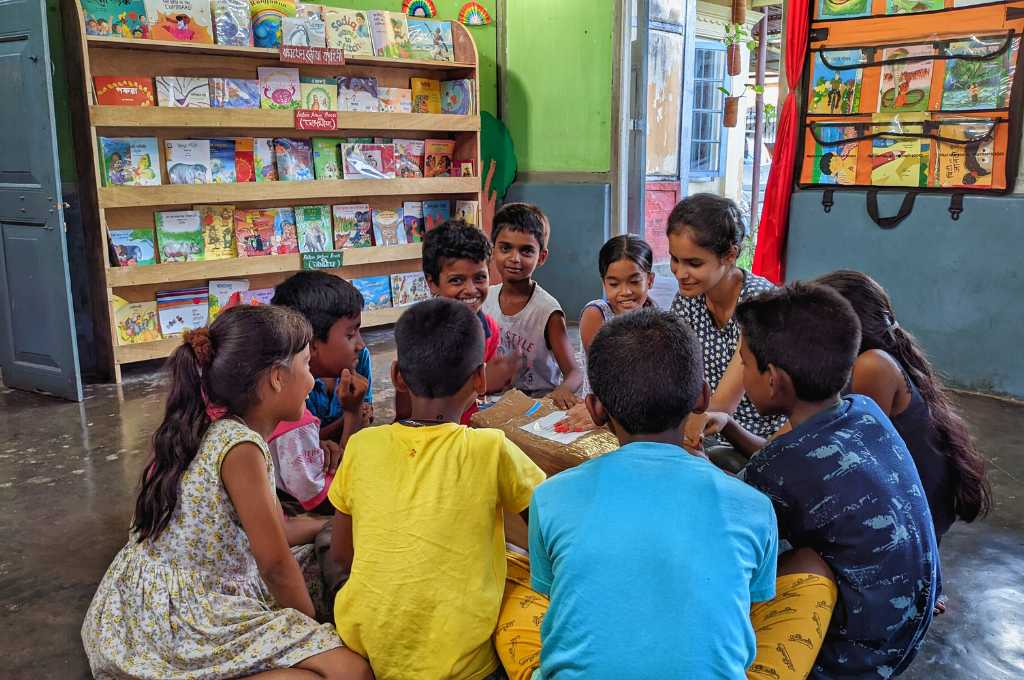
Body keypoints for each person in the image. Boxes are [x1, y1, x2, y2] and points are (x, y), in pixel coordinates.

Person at [496, 309, 838, 680]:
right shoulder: (754, 507)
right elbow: (750, 603)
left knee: (511, 572)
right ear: (702, 398)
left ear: (594, 409)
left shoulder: (550, 497)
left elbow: (556, 598)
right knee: (811, 577)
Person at [81, 305, 371, 680]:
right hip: (183, 620)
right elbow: (276, 566)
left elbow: (272, 535)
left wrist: (322, 524)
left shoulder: (203, 423)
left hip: (142, 605)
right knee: (351, 672)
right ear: (277, 379)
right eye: (306, 365)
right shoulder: (242, 447)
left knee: (314, 566)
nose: (314, 381)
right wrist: (311, 633)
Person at [715, 282, 939, 678]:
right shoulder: (864, 409)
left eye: (744, 361)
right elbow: (798, 460)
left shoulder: (781, 467)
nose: (741, 369)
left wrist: (688, 464)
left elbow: (721, 527)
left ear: (774, 380)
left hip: (855, 657)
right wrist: (729, 427)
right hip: (909, 631)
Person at [328, 298, 546, 680]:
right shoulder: (489, 448)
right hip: (461, 664)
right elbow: (551, 526)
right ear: (480, 379)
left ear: (396, 376)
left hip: (367, 652)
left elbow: (342, 555)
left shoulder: (361, 446)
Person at [814, 270, 992, 543]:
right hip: (897, 504)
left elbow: (853, 462)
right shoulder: (860, 364)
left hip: (908, 521)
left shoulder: (872, 366)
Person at [666, 194, 786, 455]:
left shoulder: (760, 303)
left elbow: (721, 408)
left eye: (694, 263)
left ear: (730, 255)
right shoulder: (688, 299)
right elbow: (671, 370)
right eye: (675, 259)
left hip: (754, 441)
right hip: (703, 429)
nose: (680, 273)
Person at [396, 219, 522, 424]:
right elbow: (404, 411)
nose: (471, 290)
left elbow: (478, 396)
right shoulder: (420, 332)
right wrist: (485, 382)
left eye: (480, 278)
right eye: (456, 280)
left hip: (467, 431)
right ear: (432, 283)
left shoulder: (489, 329)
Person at [269, 272, 370, 515]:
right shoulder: (288, 399)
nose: (361, 344)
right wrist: (352, 415)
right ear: (311, 343)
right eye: (350, 334)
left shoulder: (359, 360)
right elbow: (336, 500)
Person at [481, 203, 583, 408]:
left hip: (536, 405)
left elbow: (574, 372)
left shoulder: (547, 311)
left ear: (542, 257)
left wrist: (563, 390)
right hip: (493, 402)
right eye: (505, 248)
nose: (514, 258)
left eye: (526, 251)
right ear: (493, 250)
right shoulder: (485, 299)